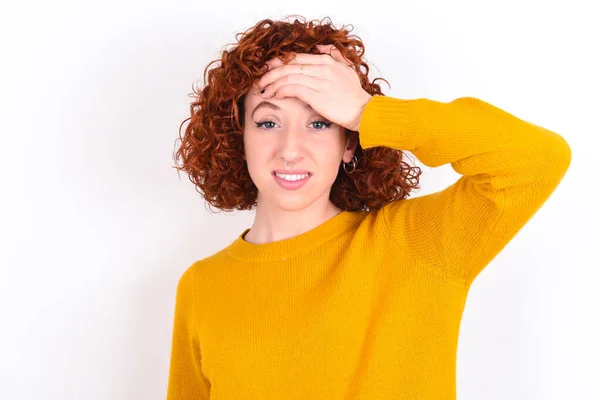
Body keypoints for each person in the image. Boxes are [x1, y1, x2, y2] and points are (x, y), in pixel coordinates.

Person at [167, 16, 571, 400]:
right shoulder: (202, 286)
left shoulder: (415, 246)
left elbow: (537, 159)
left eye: (320, 122)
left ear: (349, 142)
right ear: (239, 137)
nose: (290, 150)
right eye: (268, 123)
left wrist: (368, 111)